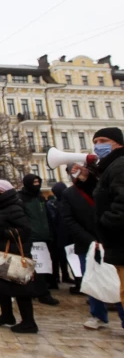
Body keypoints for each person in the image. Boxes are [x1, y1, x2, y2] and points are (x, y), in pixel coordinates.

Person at [62, 163, 124, 330]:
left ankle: (123, 315)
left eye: (79, 170)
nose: (76, 174)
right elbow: (69, 220)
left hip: (110, 242)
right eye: (72, 172)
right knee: (92, 280)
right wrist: (90, 240)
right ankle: (98, 315)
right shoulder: (68, 194)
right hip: (87, 245)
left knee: (118, 281)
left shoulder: (101, 188)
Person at [73, 128, 124, 307]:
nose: (98, 145)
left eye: (103, 140)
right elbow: (104, 197)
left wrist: (104, 224)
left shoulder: (119, 165)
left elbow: (120, 202)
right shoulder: (110, 166)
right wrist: (87, 180)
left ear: (118, 142)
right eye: (95, 142)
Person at [0, 180, 39, 334]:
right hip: (1, 253)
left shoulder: (14, 207)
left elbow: (24, 230)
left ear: (6, 192)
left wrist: (3, 233)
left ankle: (29, 322)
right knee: (1, 285)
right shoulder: (0, 207)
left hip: (14, 253)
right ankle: (7, 315)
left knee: (20, 287)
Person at [19, 174, 59, 306]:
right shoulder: (21, 199)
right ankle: (39, 292)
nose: (36, 184)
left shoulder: (41, 198)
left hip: (44, 237)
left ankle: (42, 291)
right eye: (34, 182)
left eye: (38, 181)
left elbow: (46, 217)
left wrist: (50, 233)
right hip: (31, 238)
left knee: (43, 267)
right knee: (32, 268)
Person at [46, 182, 72, 288]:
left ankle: (62, 276)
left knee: (63, 257)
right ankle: (58, 277)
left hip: (59, 235)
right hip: (59, 235)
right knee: (60, 257)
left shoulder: (57, 204)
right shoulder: (55, 204)